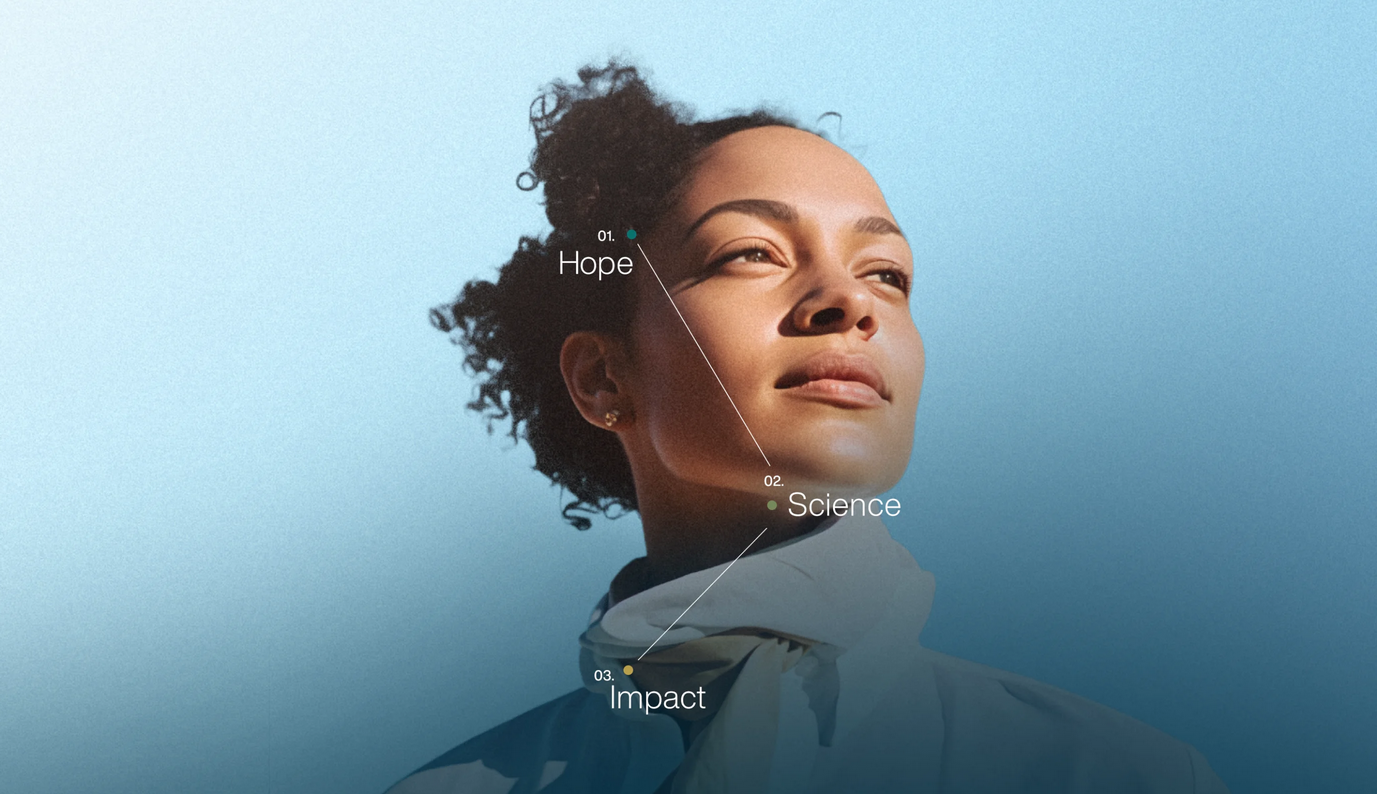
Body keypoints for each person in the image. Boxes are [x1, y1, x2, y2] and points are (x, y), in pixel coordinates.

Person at [389, 62, 1229, 794]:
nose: (850, 300)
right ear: (603, 376)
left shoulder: (1118, 778)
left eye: (887, 273)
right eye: (750, 253)